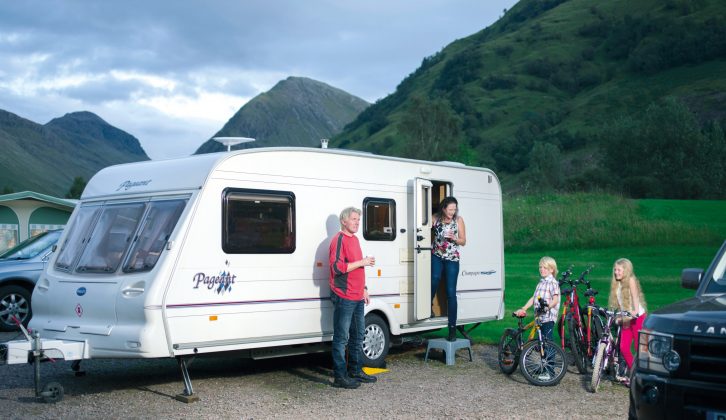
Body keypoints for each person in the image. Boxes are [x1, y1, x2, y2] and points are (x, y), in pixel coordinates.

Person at [328, 206, 378, 389]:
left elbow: (357, 270)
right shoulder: (339, 240)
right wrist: (363, 262)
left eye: (359, 219)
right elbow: (337, 267)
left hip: (357, 295)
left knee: (358, 335)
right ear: (344, 221)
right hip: (344, 295)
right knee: (341, 338)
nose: (357, 222)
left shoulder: (355, 239)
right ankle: (340, 377)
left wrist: (364, 288)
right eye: (354, 219)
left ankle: (355, 370)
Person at [431, 196, 467, 342]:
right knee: (434, 278)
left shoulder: (458, 220)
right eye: (450, 209)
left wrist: (454, 239)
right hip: (437, 255)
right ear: (444, 208)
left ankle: (452, 329)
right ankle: (428, 307)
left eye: (454, 209)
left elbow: (463, 241)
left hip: (452, 258)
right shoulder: (435, 218)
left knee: (451, 292)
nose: (452, 212)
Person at [608, 258, 647, 384]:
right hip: (626, 319)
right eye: (615, 270)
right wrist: (617, 317)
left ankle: (644, 375)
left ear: (626, 270)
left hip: (637, 318)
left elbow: (635, 300)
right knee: (624, 348)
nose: (616, 272)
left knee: (639, 347)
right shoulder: (617, 285)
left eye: (619, 270)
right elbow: (621, 305)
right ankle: (635, 373)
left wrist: (634, 312)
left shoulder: (630, 280)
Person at [515, 256, 561, 341]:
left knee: (547, 340)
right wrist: (524, 308)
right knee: (541, 340)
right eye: (540, 267)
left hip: (548, 317)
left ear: (552, 270)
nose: (541, 269)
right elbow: (534, 298)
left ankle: (550, 354)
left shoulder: (553, 283)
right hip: (539, 316)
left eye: (545, 268)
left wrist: (547, 307)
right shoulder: (541, 282)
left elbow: (555, 300)